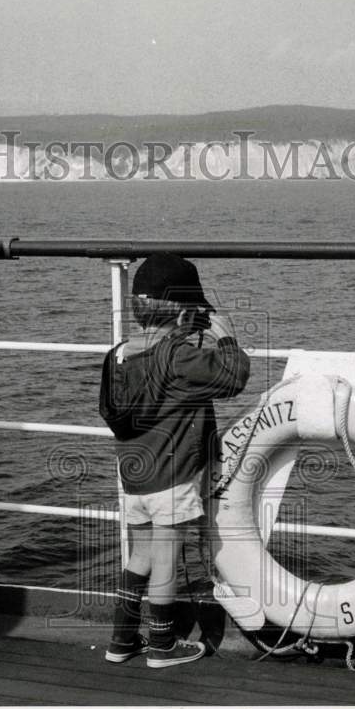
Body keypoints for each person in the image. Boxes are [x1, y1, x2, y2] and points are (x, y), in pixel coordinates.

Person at [98, 252, 251, 668]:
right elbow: (234, 377)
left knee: (141, 556)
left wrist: (184, 332)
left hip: (135, 478)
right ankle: (162, 646)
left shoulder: (118, 356)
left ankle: (121, 640)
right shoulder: (183, 360)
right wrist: (227, 336)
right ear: (185, 314)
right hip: (172, 478)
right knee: (166, 558)